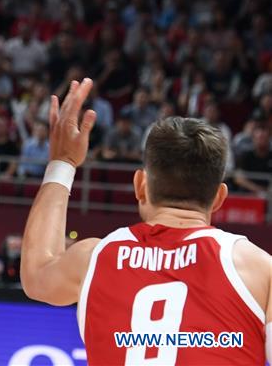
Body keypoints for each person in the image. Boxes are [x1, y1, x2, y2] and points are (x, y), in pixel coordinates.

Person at [21, 78, 270, 364]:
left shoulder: (95, 258)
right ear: (219, 198)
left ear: (140, 186)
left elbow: (36, 272)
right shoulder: (258, 269)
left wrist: (62, 162)